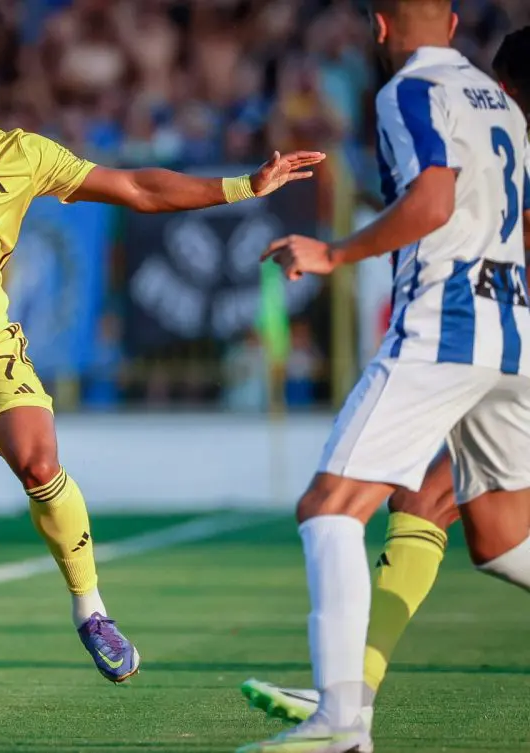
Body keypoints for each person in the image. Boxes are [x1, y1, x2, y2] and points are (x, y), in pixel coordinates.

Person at [0, 38, 324, 700]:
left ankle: (92, 611)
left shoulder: (21, 155)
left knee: (37, 459)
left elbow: (135, 186)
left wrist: (242, 186)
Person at [238, 2, 530, 751]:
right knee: (497, 536)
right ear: (455, 23)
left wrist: (334, 253)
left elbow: (432, 200)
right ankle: (347, 695)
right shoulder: (499, 103)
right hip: (510, 335)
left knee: (330, 506)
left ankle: (341, 719)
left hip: (447, 326)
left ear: (377, 26)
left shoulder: (409, 91)